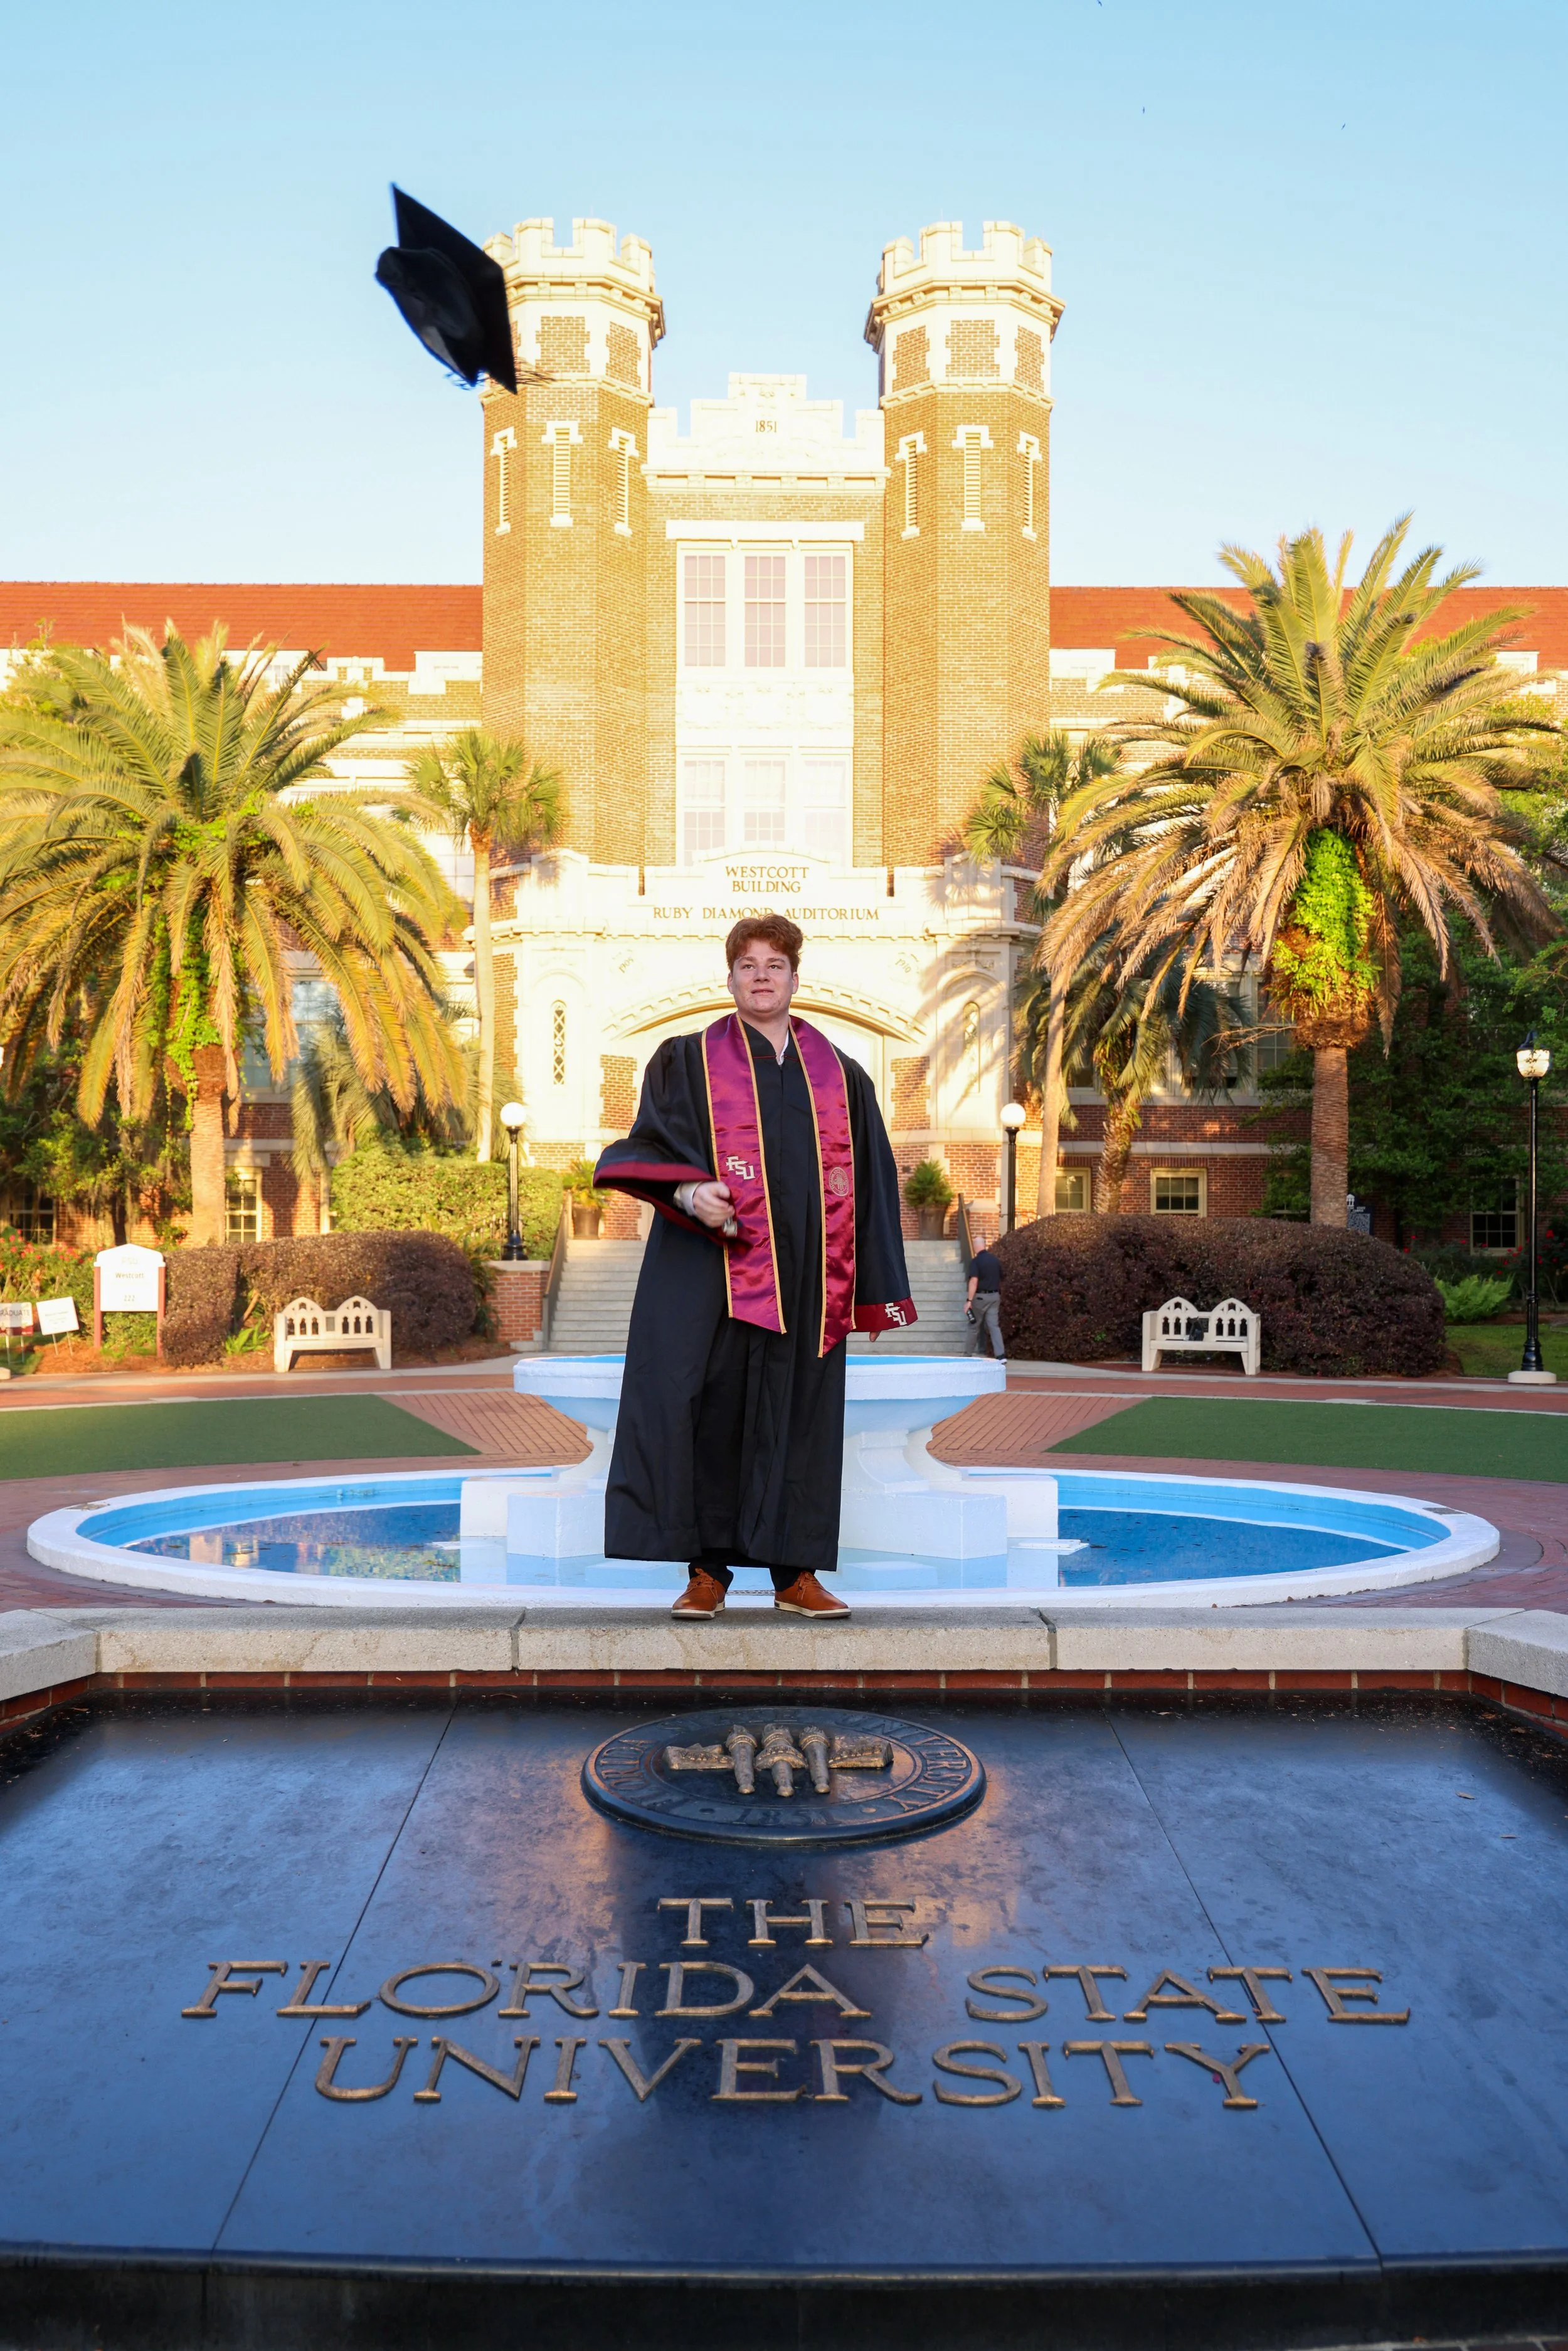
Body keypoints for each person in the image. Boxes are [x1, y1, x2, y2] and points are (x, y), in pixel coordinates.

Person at [593, 916, 915, 1620]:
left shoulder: (843, 1077)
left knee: (797, 1412)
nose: (761, 975)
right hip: (711, 1271)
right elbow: (647, 1142)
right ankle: (706, 1572)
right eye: (748, 965)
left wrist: (877, 1294)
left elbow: (872, 1183)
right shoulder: (685, 1061)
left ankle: (793, 1574)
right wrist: (687, 1191)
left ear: (796, 979)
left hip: (807, 1278)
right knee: (706, 1408)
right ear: (730, 977)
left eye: (775, 964)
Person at [965, 1241, 1006, 1361]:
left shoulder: (976, 1262)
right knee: (994, 1326)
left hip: (980, 1298)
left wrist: (969, 1301)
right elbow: (1001, 1278)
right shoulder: (995, 1260)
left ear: (975, 1247)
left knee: (974, 1325)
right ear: (985, 1246)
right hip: (994, 1296)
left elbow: (974, 1281)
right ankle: (1001, 1355)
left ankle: (968, 1355)